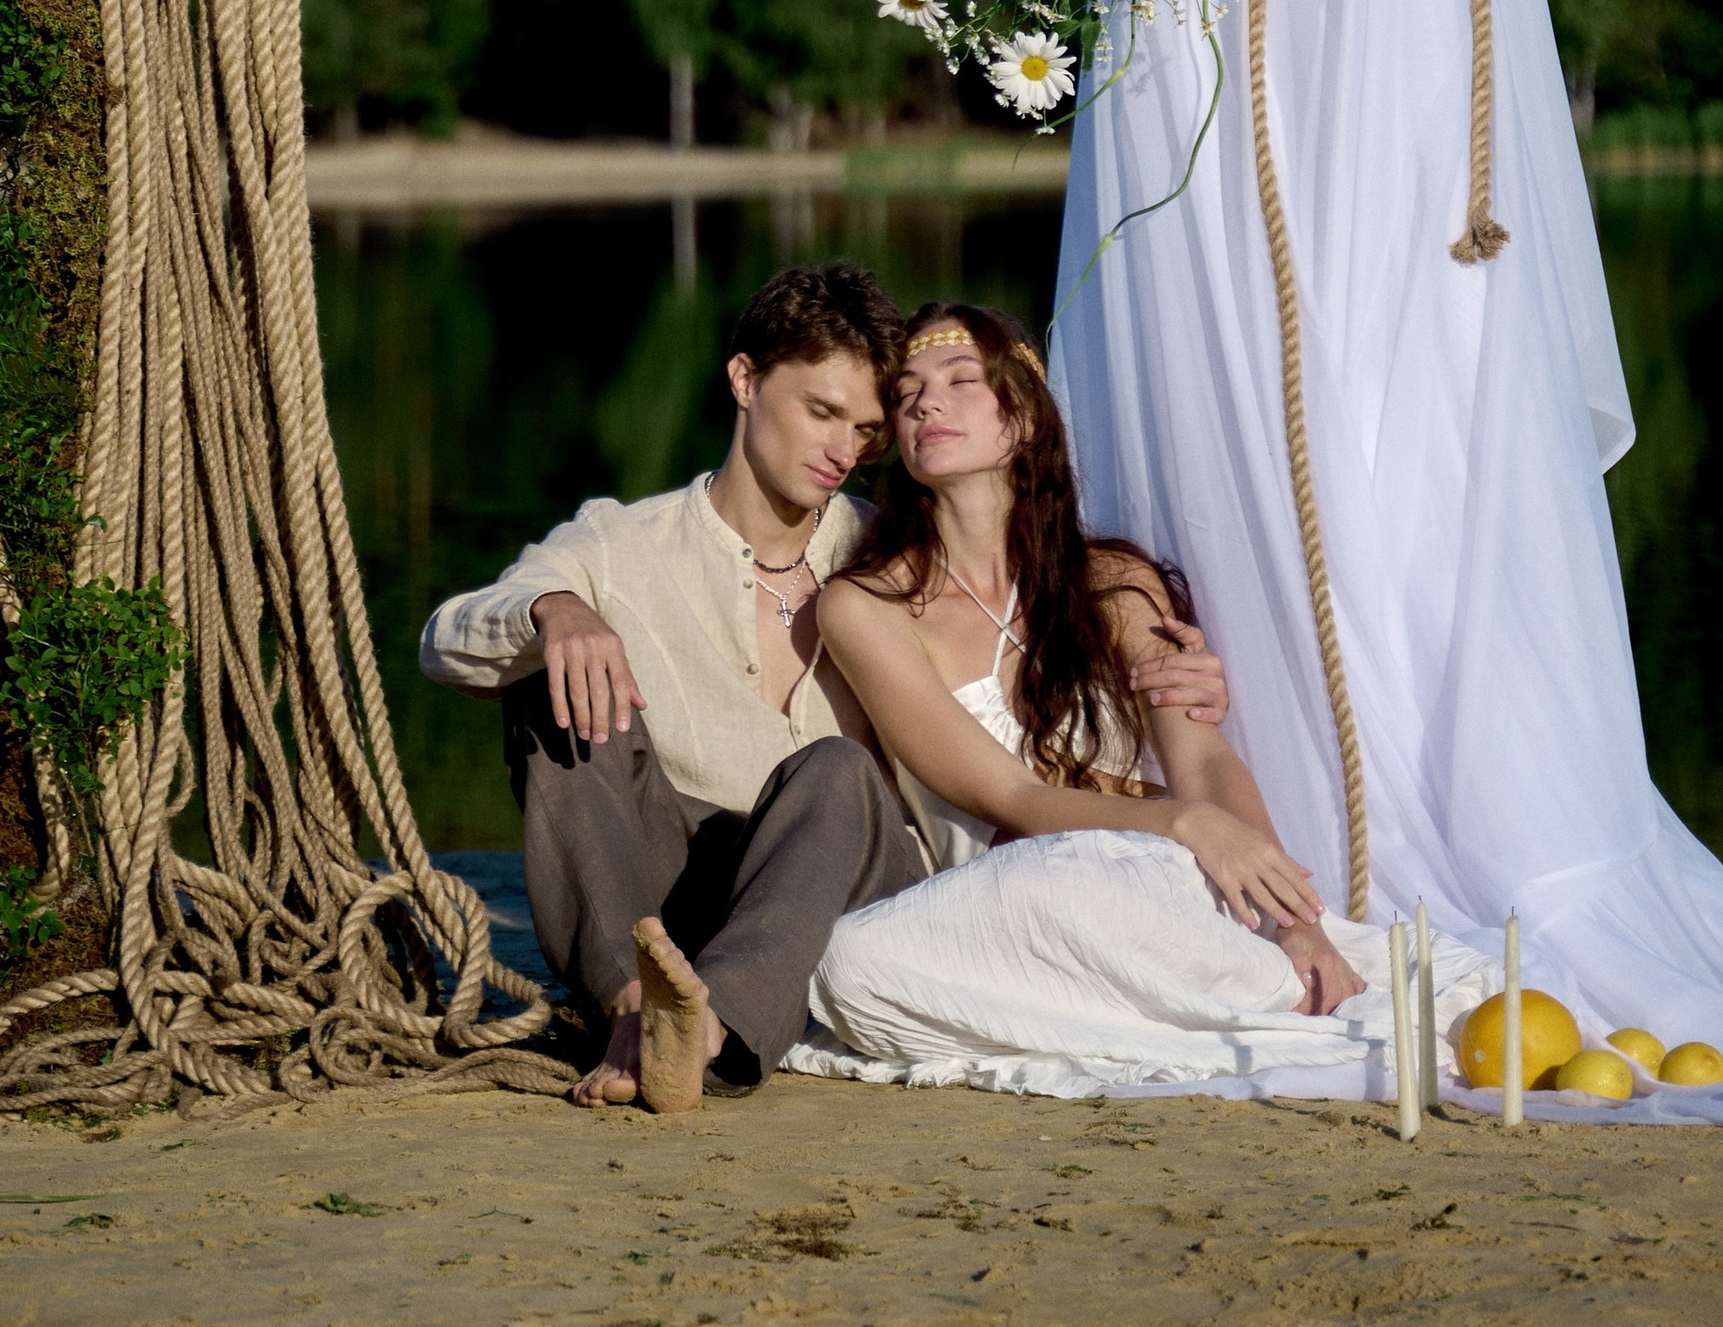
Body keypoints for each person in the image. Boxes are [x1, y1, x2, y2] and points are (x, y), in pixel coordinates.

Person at [419, 261, 1232, 1110]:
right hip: (669, 897)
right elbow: (447, 642)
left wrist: (1168, 677)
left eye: (866, 429)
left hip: (844, 892)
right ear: (744, 379)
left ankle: (711, 1027)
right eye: (821, 412)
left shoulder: (885, 561)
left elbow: (1015, 626)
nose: (843, 450)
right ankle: (636, 1010)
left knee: (836, 767)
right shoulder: (621, 543)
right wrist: (556, 610)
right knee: (551, 681)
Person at [784, 304, 1487, 1092]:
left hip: (1144, 883)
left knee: (1156, 902)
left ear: (1024, 420)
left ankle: (1282, 980)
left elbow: (1203, 760)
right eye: (907, 391)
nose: (925, 402)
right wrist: (1185, 820)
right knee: (849, 967)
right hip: (999, 901)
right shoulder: (865, 608)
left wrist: (1294, 919)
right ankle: (1273, 1005)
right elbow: (1008, 795)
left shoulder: (1115, 583)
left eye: (961, 380)